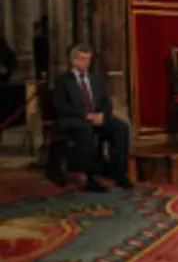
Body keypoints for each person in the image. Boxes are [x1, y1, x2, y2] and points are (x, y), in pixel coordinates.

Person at [53, 44, 132, 192]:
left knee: (121, 127)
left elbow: (106, 102)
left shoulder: (97, 79)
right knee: (86, 130)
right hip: (74, 119)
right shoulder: (63, 80)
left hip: (97, 117)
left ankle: (119, 173)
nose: (86, 63)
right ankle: (92, 177)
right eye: (82, 59)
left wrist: (101, 114)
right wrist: (85, 115)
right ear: (73, 61)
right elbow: (61, 106)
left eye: (88, 59)